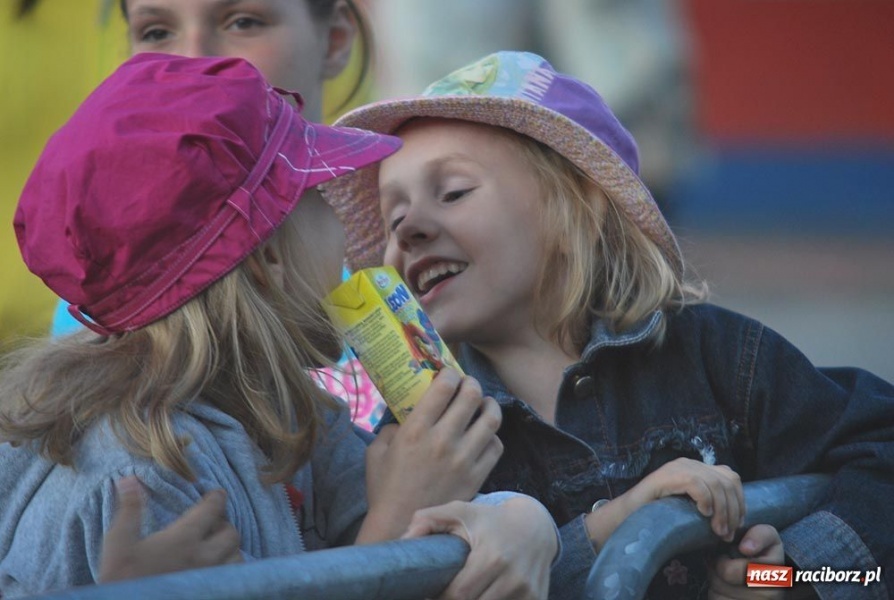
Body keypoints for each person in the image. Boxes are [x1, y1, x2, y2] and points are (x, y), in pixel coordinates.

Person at [322, 51, 894, 599]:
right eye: (393, 218)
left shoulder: (719, 356)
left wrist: (787, 578)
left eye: (453, 192)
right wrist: (614, 527)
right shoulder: (427, 450)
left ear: (579, 207)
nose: (409, 229)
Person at [0, 53, 559, 599]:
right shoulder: (138, 484)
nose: (344, 232)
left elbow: (447, 533)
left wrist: (523, 520)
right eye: (318, 197)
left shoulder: (288, 414)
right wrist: (393, 526)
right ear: (269, 255)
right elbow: (387, 525)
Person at [46, 0, 389, 430]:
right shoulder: (106, 296)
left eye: (243, 22)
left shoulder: (419, 243)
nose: (195, 61)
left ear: (336, 38)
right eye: (155, 32)